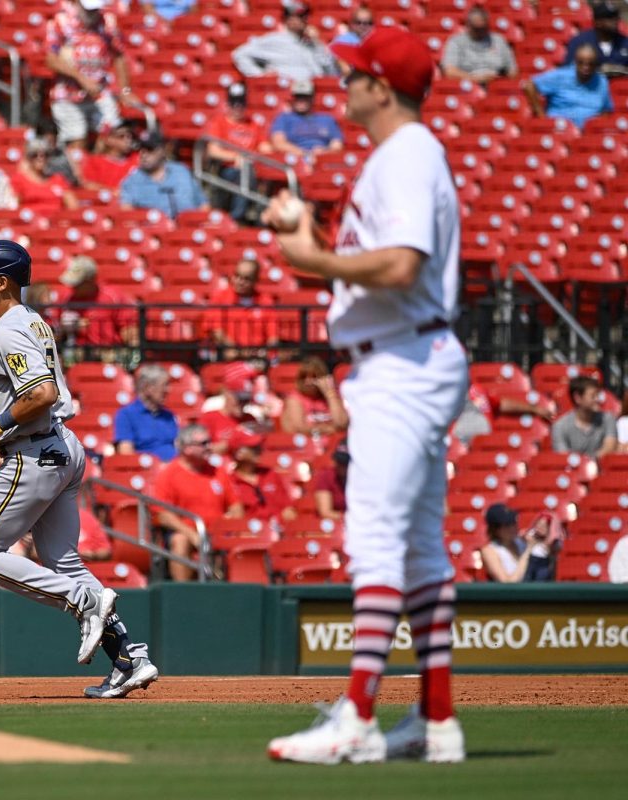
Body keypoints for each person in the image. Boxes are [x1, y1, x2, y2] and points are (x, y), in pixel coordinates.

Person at [262, 26, 468, 764]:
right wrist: (311, 244)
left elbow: (404, 265)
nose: (343, 81)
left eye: (355, 72)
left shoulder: (407, 153)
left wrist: (315, 255)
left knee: (376, 537)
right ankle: (438, 722)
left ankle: (358, 716)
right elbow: (379, 267)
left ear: (383, 88)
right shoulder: (408, 156)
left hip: (402, 364)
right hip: (407, 354)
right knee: (417, 550)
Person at [0, 238, 157, 700]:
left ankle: (84, 602)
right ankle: (129, 658)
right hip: (60, 446)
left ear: (1, 283)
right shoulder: (31, 320)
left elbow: (39, 394)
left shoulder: (7, 329)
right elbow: (40, 394)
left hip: (36, 452)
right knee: (63, 562)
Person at [151, 424, 244, 581]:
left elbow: (235, 505)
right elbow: (162, 514)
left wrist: (232, 524)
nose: (209, 447)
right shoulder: (168, 475)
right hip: (188, 533)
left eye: (209, 442)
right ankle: (184, 594)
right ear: (187, 448)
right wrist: (193, 534)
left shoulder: (217, 471)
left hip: (218, 533)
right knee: (180, 540)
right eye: (203, 444)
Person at [44, 0, 139, 153]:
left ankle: (98, 172)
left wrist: (125, 90)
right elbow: (51, 59)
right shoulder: (61, 22)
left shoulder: (107, 23)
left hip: (99, 92)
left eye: (95, 10)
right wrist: (81, 78)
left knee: (113, 138)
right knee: (77, 141)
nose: (93, 14)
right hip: (68, 94)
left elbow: (119, 55)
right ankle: (78, 174)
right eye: (89, 10)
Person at [205, 82, 268, 222]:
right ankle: (236, 217)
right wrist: (236, 157)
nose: (238, 107)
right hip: (228, 169)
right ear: (227, 103)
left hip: (252, 169)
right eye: (234, 102)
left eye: (241, 102)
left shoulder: (253, 124)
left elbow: (265, 148)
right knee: (242, 173)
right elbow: (213, 151)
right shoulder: (219, 122)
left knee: (252, 174)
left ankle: (253, 217)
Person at [232, 0, 338, 81]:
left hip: (312, 94)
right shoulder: (275, 39)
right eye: (298, 16)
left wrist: (317, 43)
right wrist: (260, 76)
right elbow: (240, 54)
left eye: (304, 16)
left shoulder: (312, 44)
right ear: (287, 19)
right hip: (285, 93)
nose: (302, 20)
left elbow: (330, 74)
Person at [50, 255, 139, 353]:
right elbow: (53, 335)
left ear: (91, 280)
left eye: (78, 283)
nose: (73, 287)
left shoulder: (112, 297)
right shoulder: (65, 298)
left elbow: (129, 332)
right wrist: (65, 329)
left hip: (108, 354)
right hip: (75, 355)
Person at [119, 130, 208, 219]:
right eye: (140, 150)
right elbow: (127, 215)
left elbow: (203, 205)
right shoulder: (132, 182)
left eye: (150, 149)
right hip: (154, 230)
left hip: (189, 227)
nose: (143, 154)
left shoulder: (181, 171)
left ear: (163, 150)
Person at [524, 44, 613, 130]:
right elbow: (529, 85)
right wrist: (541, 116)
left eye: (590, 64)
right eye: (581, 63)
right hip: (559, 130)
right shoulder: (561, 76)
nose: (586, 67)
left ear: (596, 64)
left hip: (588, 134)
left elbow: (606, 110)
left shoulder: (601, 81)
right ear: (575, 61)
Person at [221, 428, 298, 523]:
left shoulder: (271, 474)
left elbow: (288, 508)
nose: (260, 451)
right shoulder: (230, 482)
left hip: (279, 530)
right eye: (253, 448)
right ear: (239, 454)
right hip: (250, 533)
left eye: (259, 447)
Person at [206, 258, 280, 350]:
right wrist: (236, 350)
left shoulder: (265, 301)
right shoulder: (219, 297)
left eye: (246, 279)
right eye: (237, 276)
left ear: (256, 280)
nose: (240, 281)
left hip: (258, 357)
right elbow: (216, 330)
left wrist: (267, 354)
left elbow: (273, 337)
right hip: (227, 355)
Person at [113, 364, 179, 461]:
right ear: (148, 388)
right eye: (164, 385)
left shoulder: (169, 416)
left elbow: (179, 446)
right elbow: (126, 455)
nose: (168, 390)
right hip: (147, 471)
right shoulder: (126, 415)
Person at [268, 81, 344, 164]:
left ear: (312, 98)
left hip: (323, 160)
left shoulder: (327, 119)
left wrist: (324, 152)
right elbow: (279, 143)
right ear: (293, 99)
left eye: (305, 97)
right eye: (298, 97)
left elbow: (337, 146)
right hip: (295, 160)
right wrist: (305, 154)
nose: (301, 100)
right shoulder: (284, 118)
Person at [478, 504, 556, 583]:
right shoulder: (490, 551)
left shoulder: (522, 541)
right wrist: (529, 549)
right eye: (507, 525)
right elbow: (507, 583)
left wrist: (541, 539)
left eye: (513, 522)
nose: (513, 527)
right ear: (495, 529)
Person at [441, 6, 518, 83]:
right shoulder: (455, 42)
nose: (480, 31)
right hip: (468, 86)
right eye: (476, 28)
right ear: (468, 25)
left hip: (496, 84)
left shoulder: (499, 40)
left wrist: (501, 79)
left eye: (483, 27)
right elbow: (450, 72)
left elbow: (512, 71)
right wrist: (477, 79)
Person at [199, 361, 260, 454]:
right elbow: (203, 451)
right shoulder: (209, 418)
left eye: (246, 399)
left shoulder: (250, 419)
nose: (242, 403)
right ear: (226, 392)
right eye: (239, 397)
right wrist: (234, 441)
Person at [551, 375, 617, 459]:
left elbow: (609, 449)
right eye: (593, 396)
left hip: (601, 470)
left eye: (598, 395)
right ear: (577, 398)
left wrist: (587, 463)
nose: (598, 399)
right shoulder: (560, 426)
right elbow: (563, 457)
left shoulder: (608, 419)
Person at [280, 356, 349, 436]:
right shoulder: (294, 398)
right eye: (304, 377)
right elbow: (300, 427)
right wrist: (327, 429)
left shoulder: (333, 395)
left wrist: (330, 394)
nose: (308, 381)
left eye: (314, 377)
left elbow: (341, 423)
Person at [9, 138, 78, 216]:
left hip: (56, 222)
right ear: (28, 158)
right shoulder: (19, 179)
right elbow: (14, 208)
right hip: (31, 223)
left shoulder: (58, 179)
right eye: (34, 155)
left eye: (45, 154)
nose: (40, 158)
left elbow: (73, 206)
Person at [564, 1, 628, 78]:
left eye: (616, 18)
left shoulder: (625, 42)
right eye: (609, 18)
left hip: (620, 87)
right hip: (589, 87)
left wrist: (620, 70)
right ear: (597, 22)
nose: (614, 22)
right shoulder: (580, 41)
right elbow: (568, 70)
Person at [81, 120, 140, 190]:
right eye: (121, 136)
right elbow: (89, 185)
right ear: (108, 140)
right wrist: (113, 191)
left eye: (130, 136)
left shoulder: (137, 158)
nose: (128, 140)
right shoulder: (94, 161)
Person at [313, 443, 349, 521]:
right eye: (339, 462)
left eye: (345, 463)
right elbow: (325, 512)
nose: (341, 466)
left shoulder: (363, 477)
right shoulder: (326, 476)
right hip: (338, 523)